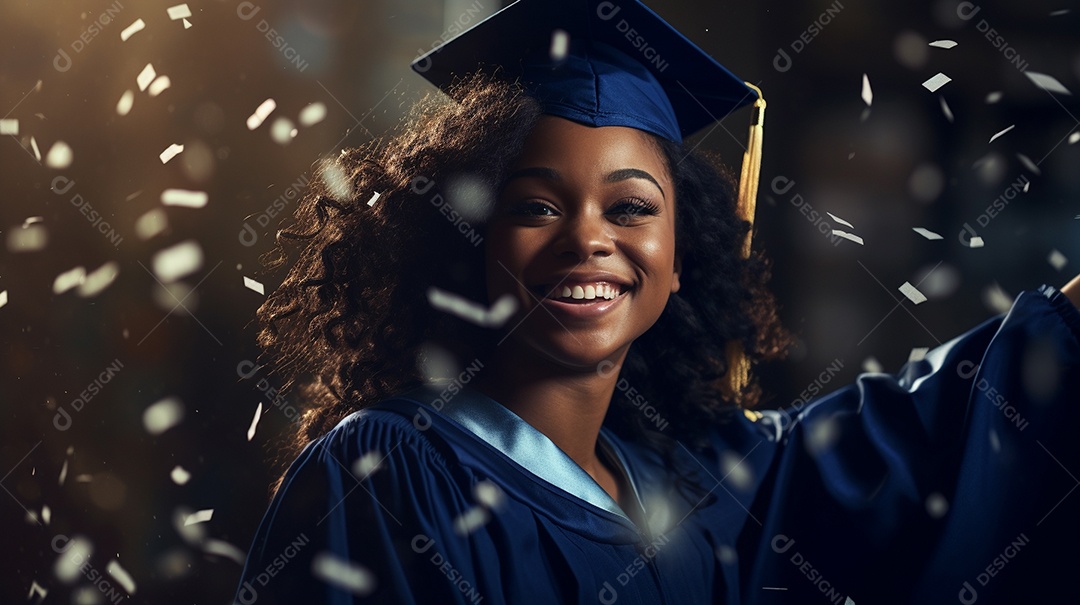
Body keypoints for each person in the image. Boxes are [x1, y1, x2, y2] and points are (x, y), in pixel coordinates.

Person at [235, 1, 1080, 603]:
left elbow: (900, 445)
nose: (588, 238)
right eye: (535, 205)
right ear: (470, 238)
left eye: (633, 207)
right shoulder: (394, 470)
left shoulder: (684, 489)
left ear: (681, 257)